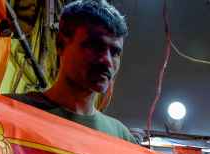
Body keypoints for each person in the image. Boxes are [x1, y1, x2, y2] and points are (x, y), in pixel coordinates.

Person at [9, 0, 135, 143]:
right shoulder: (8, 111)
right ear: (60, 45)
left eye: (115, 52)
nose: (107, 61)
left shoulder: (121, 137)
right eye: (95, 46)